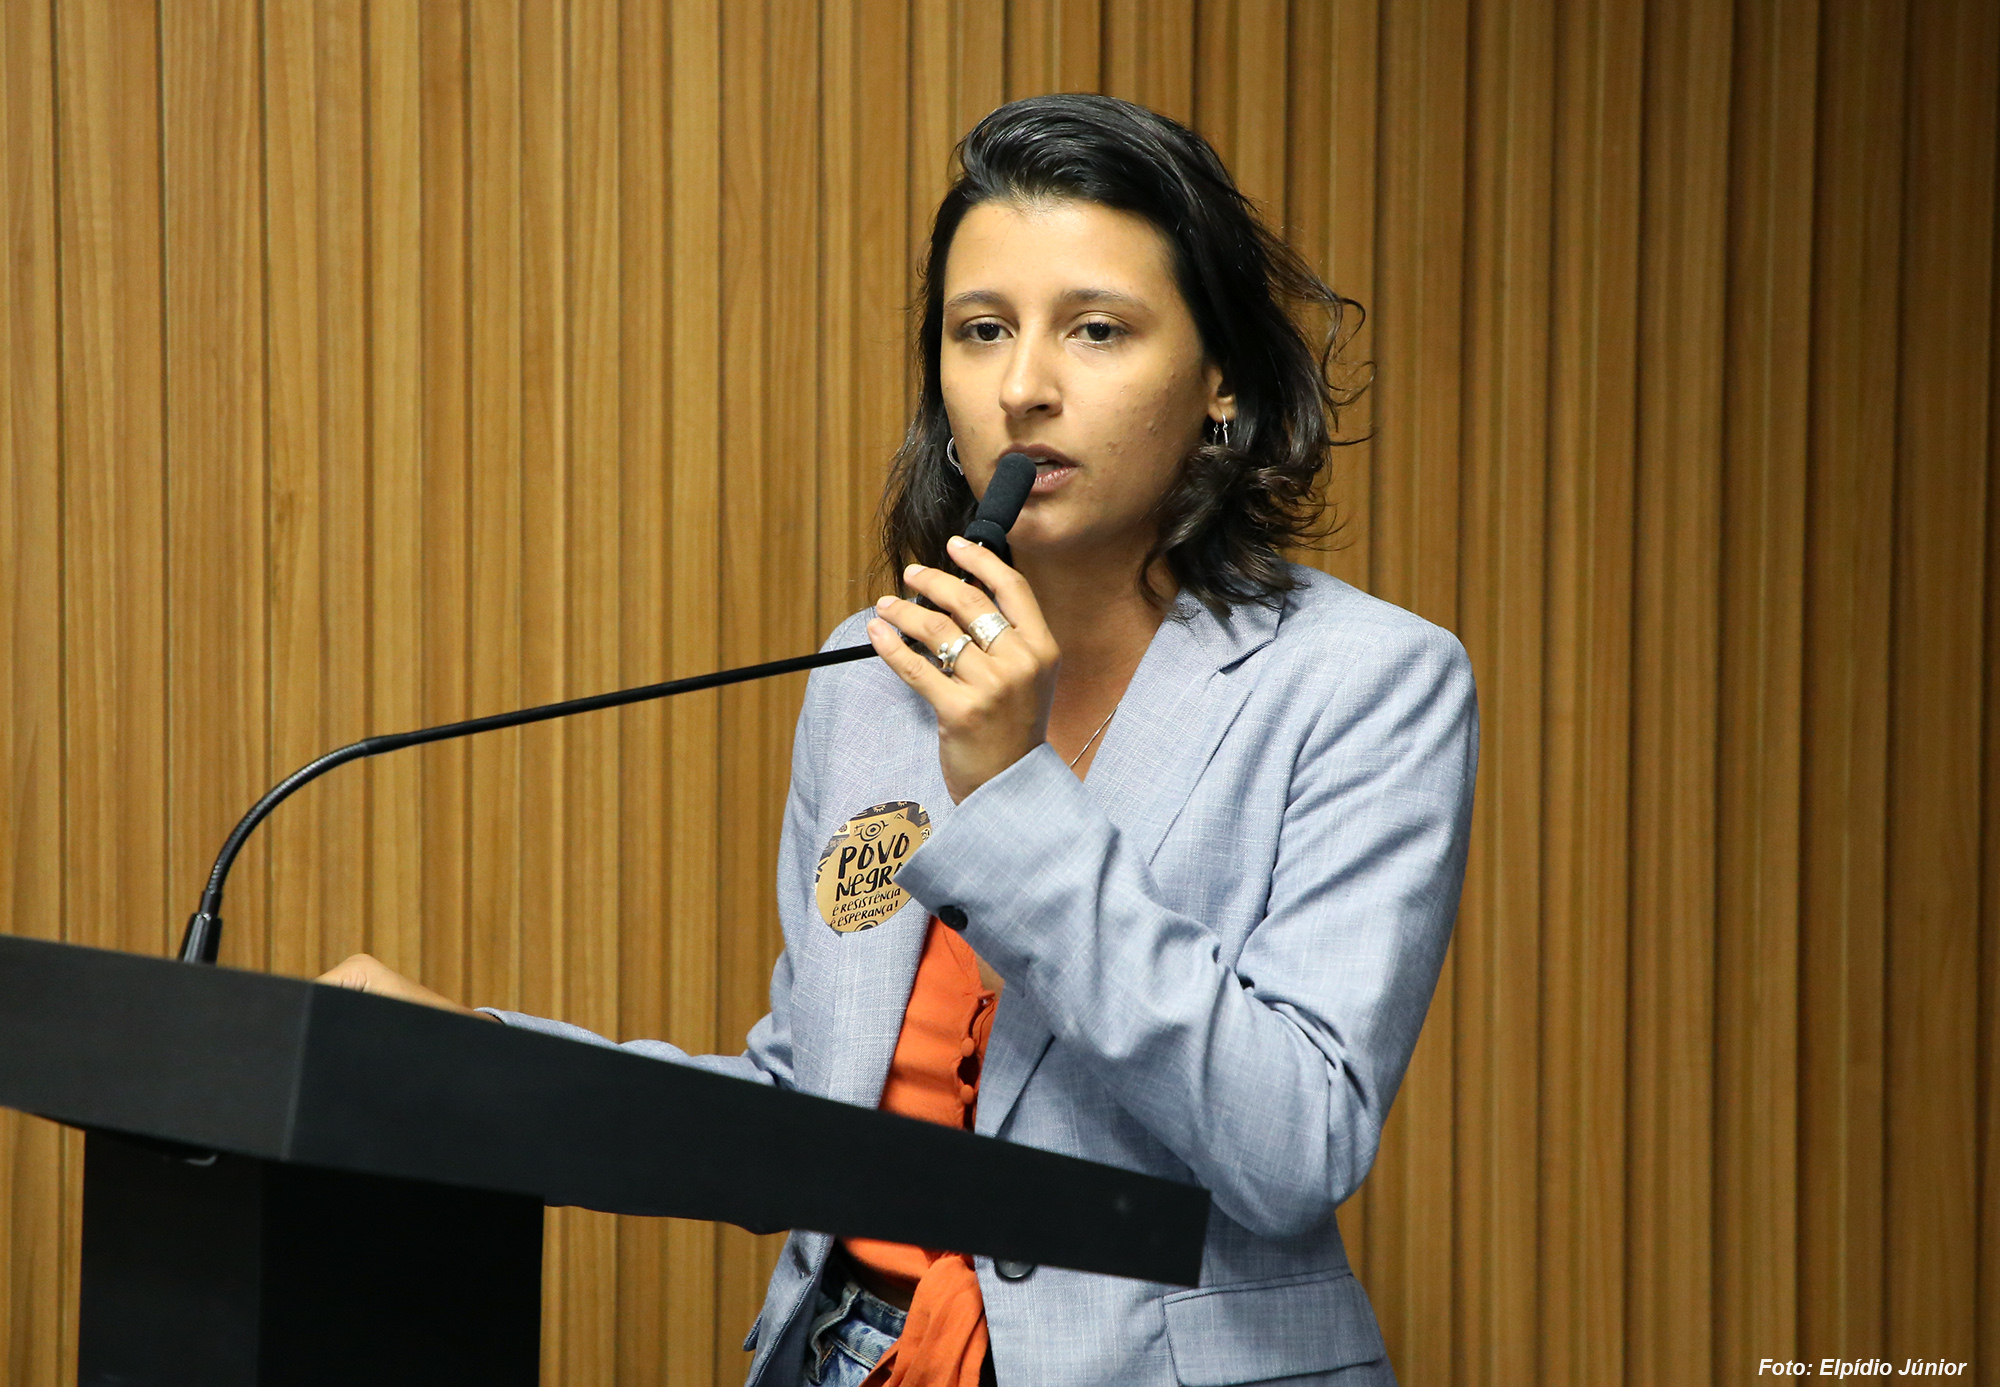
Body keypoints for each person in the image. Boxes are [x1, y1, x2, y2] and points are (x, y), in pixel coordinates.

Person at [323, 93, 1476, 1387]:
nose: (1024, 387)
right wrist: (468, 1067)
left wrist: (1014, 792)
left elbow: (1296, 1146)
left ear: (1223, 382)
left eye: (1097, 329)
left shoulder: (1366, 681)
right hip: (855, 1353)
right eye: (981, 331)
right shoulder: (872, 676)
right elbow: (811, 1116)